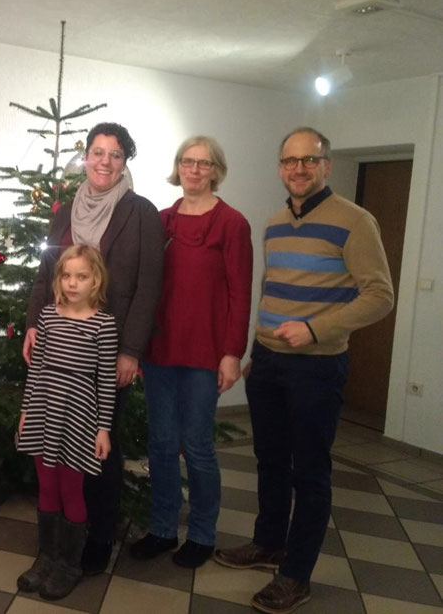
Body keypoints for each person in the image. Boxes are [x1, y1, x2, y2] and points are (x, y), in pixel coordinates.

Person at [214, 128, 394, 614]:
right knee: (270, 462)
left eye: (309, 161)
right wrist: (257, 349)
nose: (298, 169)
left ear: (326, 165)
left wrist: (315, 329)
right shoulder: (274, 224)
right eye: (290, 161)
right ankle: (268, 543)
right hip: (269, 364)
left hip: (317, 366)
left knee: (309, 473)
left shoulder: (356, 221)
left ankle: (296, 575)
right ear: (280, 167)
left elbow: (380, 295)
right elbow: (272, 292)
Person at [24, 122, 164, 573]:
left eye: (115, 154)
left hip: (107, 347)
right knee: (55, 446)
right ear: (85, 157)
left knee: (100, 446)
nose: (104, 162)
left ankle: (98, 537)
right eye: (97, 152)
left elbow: (148, 287)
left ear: (126, 161)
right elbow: (47, 270)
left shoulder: (140, 211)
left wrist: (131, 350)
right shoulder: (65, 211)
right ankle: (59, 544)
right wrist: (33, 325)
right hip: (58, 338)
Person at [130, 136, 252, 569]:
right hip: (160, 350)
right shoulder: (160, 221)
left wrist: (232, 353)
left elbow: (240, 294)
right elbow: (144, 288)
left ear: (216, 170)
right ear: (178, 167)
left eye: (203, 163)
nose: (194, 170)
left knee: (197, 446)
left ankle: (201, 534)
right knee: (162, 444)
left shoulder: (232, 224)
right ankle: (163, 529)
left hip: (206, 354)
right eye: (187, 162)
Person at [16, 245, 118, 600]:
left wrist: (102, 428)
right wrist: (27, 411)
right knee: (47, 487)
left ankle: (69, 564)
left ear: (96, 281)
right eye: (66, 275)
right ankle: (47, 557)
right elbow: (37, 367)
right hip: (44, 411)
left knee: (71, 489)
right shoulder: (47, 316)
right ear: (58, 279)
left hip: (78, 418)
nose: (72, 283)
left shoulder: (104, 325)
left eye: (82, 276)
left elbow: (105, 381)